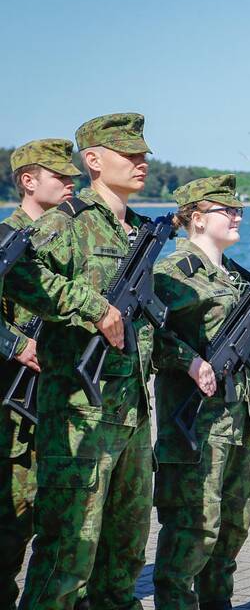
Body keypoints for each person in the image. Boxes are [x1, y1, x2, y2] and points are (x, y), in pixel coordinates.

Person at [8, 113, 157, 608]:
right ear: (92, 161)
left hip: (132, 414)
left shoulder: (137, 230)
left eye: (142, 154)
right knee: (66, 559)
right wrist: (92, 306)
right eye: (128, 153)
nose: (141, 161)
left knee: (124, 557)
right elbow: (17, 278)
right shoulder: (66, 221)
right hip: (79, 417)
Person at [151, 175, 250, 609]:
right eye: (227, 210)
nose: (238, 215)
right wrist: (190, 360)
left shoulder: (235, 275)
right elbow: (146, 335)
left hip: (236, 421)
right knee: (193, 529)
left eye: (237, 209)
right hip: (195, 425)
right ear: (197, 219)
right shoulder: (172, 274)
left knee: (233, 526)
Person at [0, 139, 81, 609]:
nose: (70, 182)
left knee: (58, 517)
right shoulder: (7, 236)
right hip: (15, 404)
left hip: (60, 400)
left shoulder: (70, 236)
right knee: (12, 520)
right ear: (29, 181)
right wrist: (17, 344)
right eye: (59, 176)